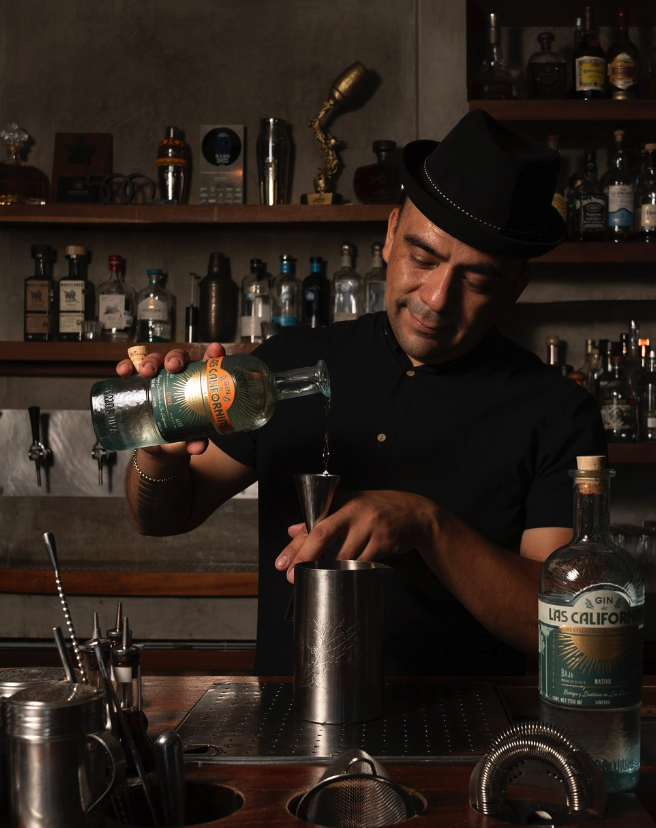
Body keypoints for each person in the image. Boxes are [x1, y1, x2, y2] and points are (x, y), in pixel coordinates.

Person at [120, 111, 605, 676]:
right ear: (391, 233)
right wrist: (157, 453)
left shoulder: (557, 413)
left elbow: (563, 628)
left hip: (466, 726)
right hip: (293, 713)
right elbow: (162, 517)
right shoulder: (286, 363)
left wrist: (427, 525)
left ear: (516, 287)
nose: (436, 298)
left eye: (477, 280)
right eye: (422, 258)